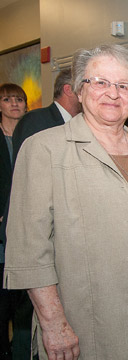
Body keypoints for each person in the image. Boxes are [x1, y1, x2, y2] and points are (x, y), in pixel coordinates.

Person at [3, 44, 128, 359]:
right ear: (80, 90)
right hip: (87, 320)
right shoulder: (45, 150)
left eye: (123, 85)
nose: (112, 93)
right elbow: (30, 248)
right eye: (100, 82)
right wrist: (53, 323)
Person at [0, 83, 28, 360]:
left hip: (22, 222)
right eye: (8, 99)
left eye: (19, 99)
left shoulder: (30, 135)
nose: (14, 104)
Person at [12, 68, 82, 155]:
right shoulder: (34, 120)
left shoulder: (81, 124)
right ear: (68, 90)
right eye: (82, 88)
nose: (89, 94)